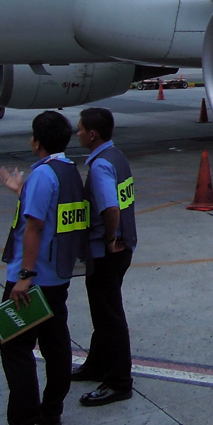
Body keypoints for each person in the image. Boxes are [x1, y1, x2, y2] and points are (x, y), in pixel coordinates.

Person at [0, 111, 90, 425]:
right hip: (58, 276)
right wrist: (20, 190)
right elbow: (48, 212)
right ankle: (51, 413)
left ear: (37, 141)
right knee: (56, 346)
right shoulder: (68, 172)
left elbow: (34, 226)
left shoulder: (43, 175)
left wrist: (24, 276)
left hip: (33, 279)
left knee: (15, 348)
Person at [71, 106, 137, 407]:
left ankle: (119, 381)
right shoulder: (117, 156)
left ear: (92, 134)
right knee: (103, 310)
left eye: (81, 128)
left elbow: (111, 208)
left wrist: (109, 239)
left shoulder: (99, 167)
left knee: (108, 316)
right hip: (126, 246)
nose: (78, 132)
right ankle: (96, 364)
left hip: (108, 251)